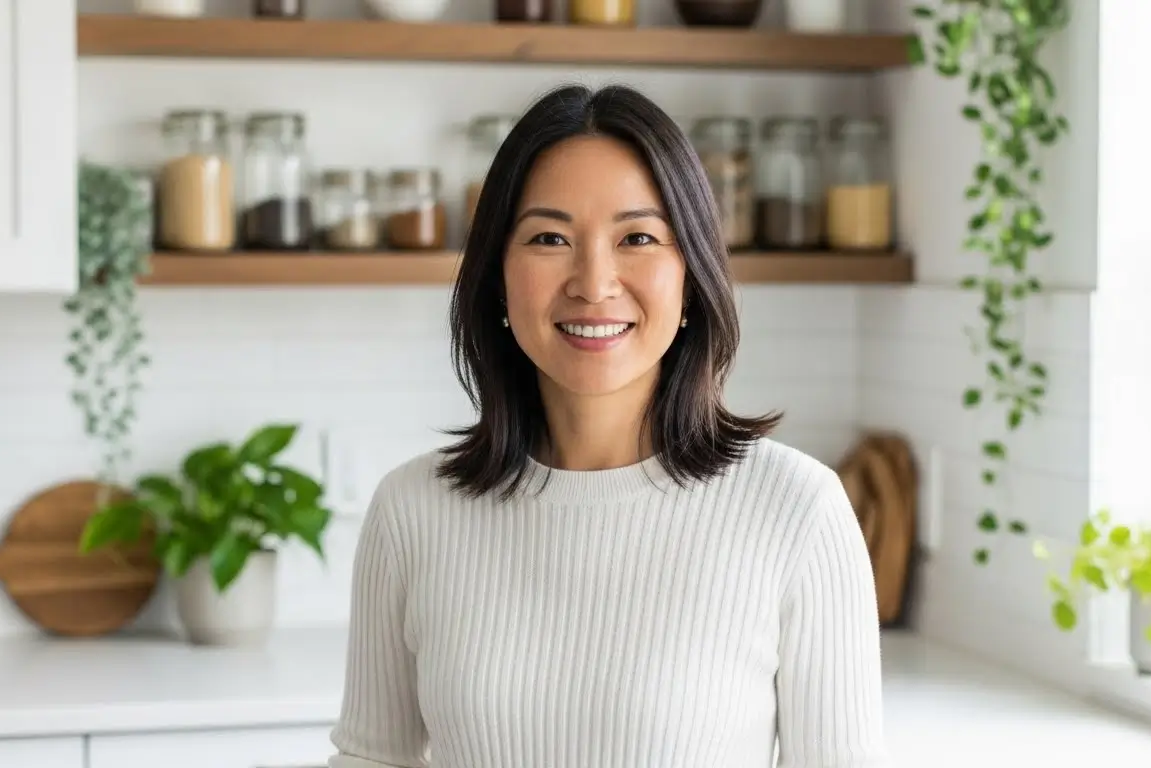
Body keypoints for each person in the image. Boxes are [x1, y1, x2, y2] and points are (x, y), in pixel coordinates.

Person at [328, 83, 889, 767]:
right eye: (549, 237)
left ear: (691, 276)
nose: (593, 283)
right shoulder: (411, 511)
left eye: (637, 238)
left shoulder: (798, 511)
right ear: (497, 278)